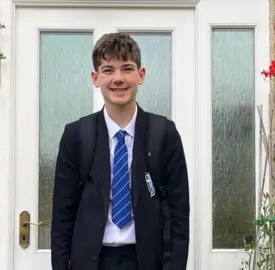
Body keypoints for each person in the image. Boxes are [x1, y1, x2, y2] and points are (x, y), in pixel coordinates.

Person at [51, 33, 190, 270]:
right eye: (108, 70)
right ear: (95, 78)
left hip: (146, 260)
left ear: (141, 75)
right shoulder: (76, 135)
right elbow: (63, 216)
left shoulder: (164, 134)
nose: (118, 79)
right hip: (93, 261)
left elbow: (178, 215)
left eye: (127, 68)